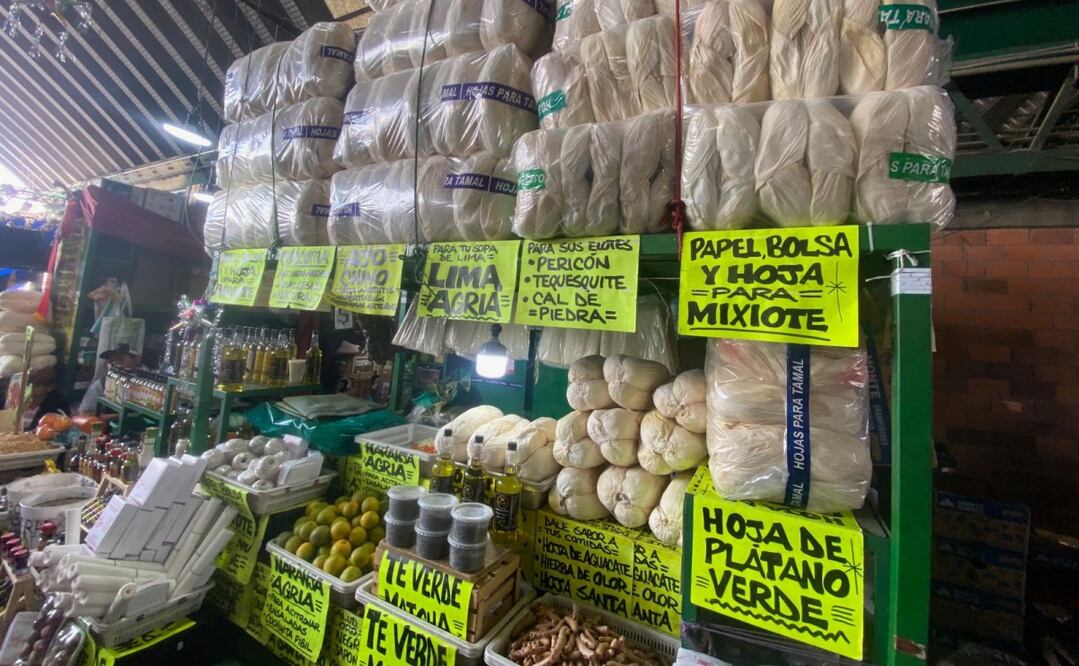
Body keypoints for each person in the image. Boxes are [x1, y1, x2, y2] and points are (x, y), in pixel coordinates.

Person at [77, 343, 141, 414]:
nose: (115, 365)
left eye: (120, 360)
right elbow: (85, 413)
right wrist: (121, 416)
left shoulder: (145, 385)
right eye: (111, 361)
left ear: (136, 360)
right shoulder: (102, 384)